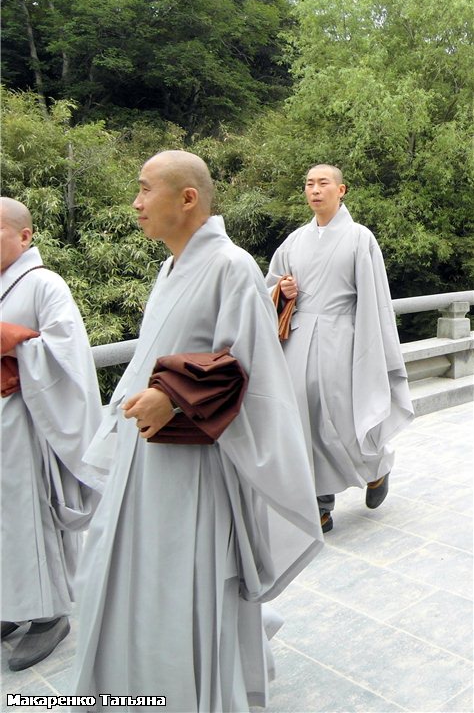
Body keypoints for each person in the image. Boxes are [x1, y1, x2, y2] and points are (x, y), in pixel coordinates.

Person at [70, 150, 323, 712]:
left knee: (184, 582)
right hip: (148, 458)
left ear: (188, 198)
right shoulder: (171, 267)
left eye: (144, 190)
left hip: (194, 467)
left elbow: (250, 368)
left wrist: (175, 398)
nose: (135, 204)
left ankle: (190, 692)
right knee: (138, 579)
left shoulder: (231, 265)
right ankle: (139, 688)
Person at [266, 164, 414, 533]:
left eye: (323, 183)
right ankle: (320, 504)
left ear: (341, 189)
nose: (315, 190)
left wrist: (371, 346)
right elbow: (268, 284)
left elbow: (375, 298)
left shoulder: (359, 238)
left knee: (343, 416)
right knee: (303, 420)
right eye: (309, 184)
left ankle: (376, 466)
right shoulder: (295, 240)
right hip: (299, 338)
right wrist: (280, 291)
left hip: (343, 338)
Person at [0, 197, 105, 671]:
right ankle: (10, 605)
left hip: (28, 419)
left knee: (26, 514)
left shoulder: (45, 284)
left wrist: (15, 346)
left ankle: (47, 614)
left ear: (25, 236)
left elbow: (69, 354)